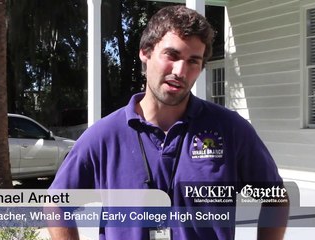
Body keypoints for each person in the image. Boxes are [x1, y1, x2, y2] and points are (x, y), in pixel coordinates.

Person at [48, 5, 289, 240]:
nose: (180, 71)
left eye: (193, 61)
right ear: (146, 52)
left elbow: (275, 199)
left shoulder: (230, 129)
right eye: (172, 55)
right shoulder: (103, 136)